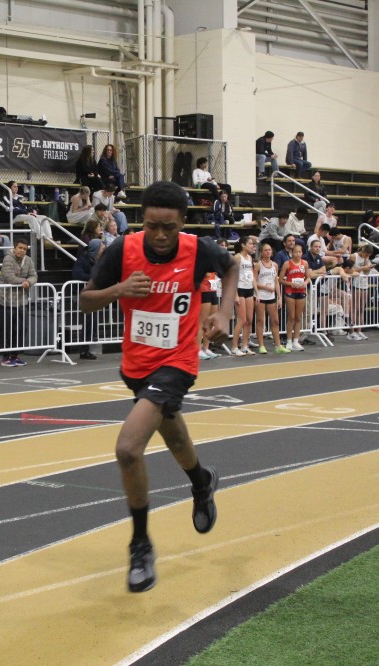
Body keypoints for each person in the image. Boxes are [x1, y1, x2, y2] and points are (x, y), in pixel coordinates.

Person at [79, 181, 236, 593]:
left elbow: (232, 266)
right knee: (175, 436)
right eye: (152, 226)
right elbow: (85, 300)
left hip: (177, 362)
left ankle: (140, 545)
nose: (161, 235)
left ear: (182, 222)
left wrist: (224, 312)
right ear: (142, 221)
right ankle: (201, 481)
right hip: (136, 366)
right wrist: (119, 289)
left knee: (128, 449)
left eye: (169, 227)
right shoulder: (123, 250)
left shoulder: (198, 249)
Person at [0, 238, 37, 367]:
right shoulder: (8, 259)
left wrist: (29, 282)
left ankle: (15, 355)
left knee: (20, 330)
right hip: (7, 301)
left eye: (25, 249)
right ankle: (5, 357)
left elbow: (34, 276)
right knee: (7, 330)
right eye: (20, 248)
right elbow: (9, 277)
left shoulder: (28, 260)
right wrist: (23, 282)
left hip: (22, 301)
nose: (22, 250)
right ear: (14, 248)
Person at [254, 242, 286, 354]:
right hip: (261, 296)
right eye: (265, 250)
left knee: (275, 321)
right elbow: (254, 281)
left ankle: (278, 345)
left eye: (269, 250)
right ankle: (261, 345)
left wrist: (279, 297)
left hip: (271, 296)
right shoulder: (258, 265)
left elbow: (276, 282)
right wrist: (264, 288)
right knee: (260, 321)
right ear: (262, 253)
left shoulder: (275, 265)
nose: (268, 252)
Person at [6, 181, 55, 246]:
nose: (16, 188)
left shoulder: (20, 196)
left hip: (25, 214)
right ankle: (42, 238)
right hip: (15, 216)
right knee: (32, 218)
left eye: (17, 186)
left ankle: (49, 238)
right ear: (9, 188)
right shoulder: (6, 197)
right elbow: (10, 209)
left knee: (44, 217)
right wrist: (24, 210)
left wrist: (29, 210)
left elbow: (25, 207)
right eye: (14, 186)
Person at [230, 235, 257, 356]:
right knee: (242, 319)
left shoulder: (250, 258)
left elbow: (252, 276)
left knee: (249, 320)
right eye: (250, 244)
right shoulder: (237, 257)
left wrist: (257, 292)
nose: (252, 246)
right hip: (240, 289)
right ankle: (234, 347)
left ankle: (245, 345)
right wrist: (235, 294)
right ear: (243, 245)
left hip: (249, 289)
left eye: (253, 244)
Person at [279, 242, 308, 351]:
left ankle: (296, 341)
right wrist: (291, 283)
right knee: (291, 316)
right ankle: (289, 341)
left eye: (299, 252)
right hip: (290, 291)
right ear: (292, 253)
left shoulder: (305, 263)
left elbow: (308, 277)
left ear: (302, 253)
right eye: (296, 252)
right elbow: (280, 279)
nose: (298, 254)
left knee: (298, 317)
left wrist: (305, 283)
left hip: (301, 291)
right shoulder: (287, 264)